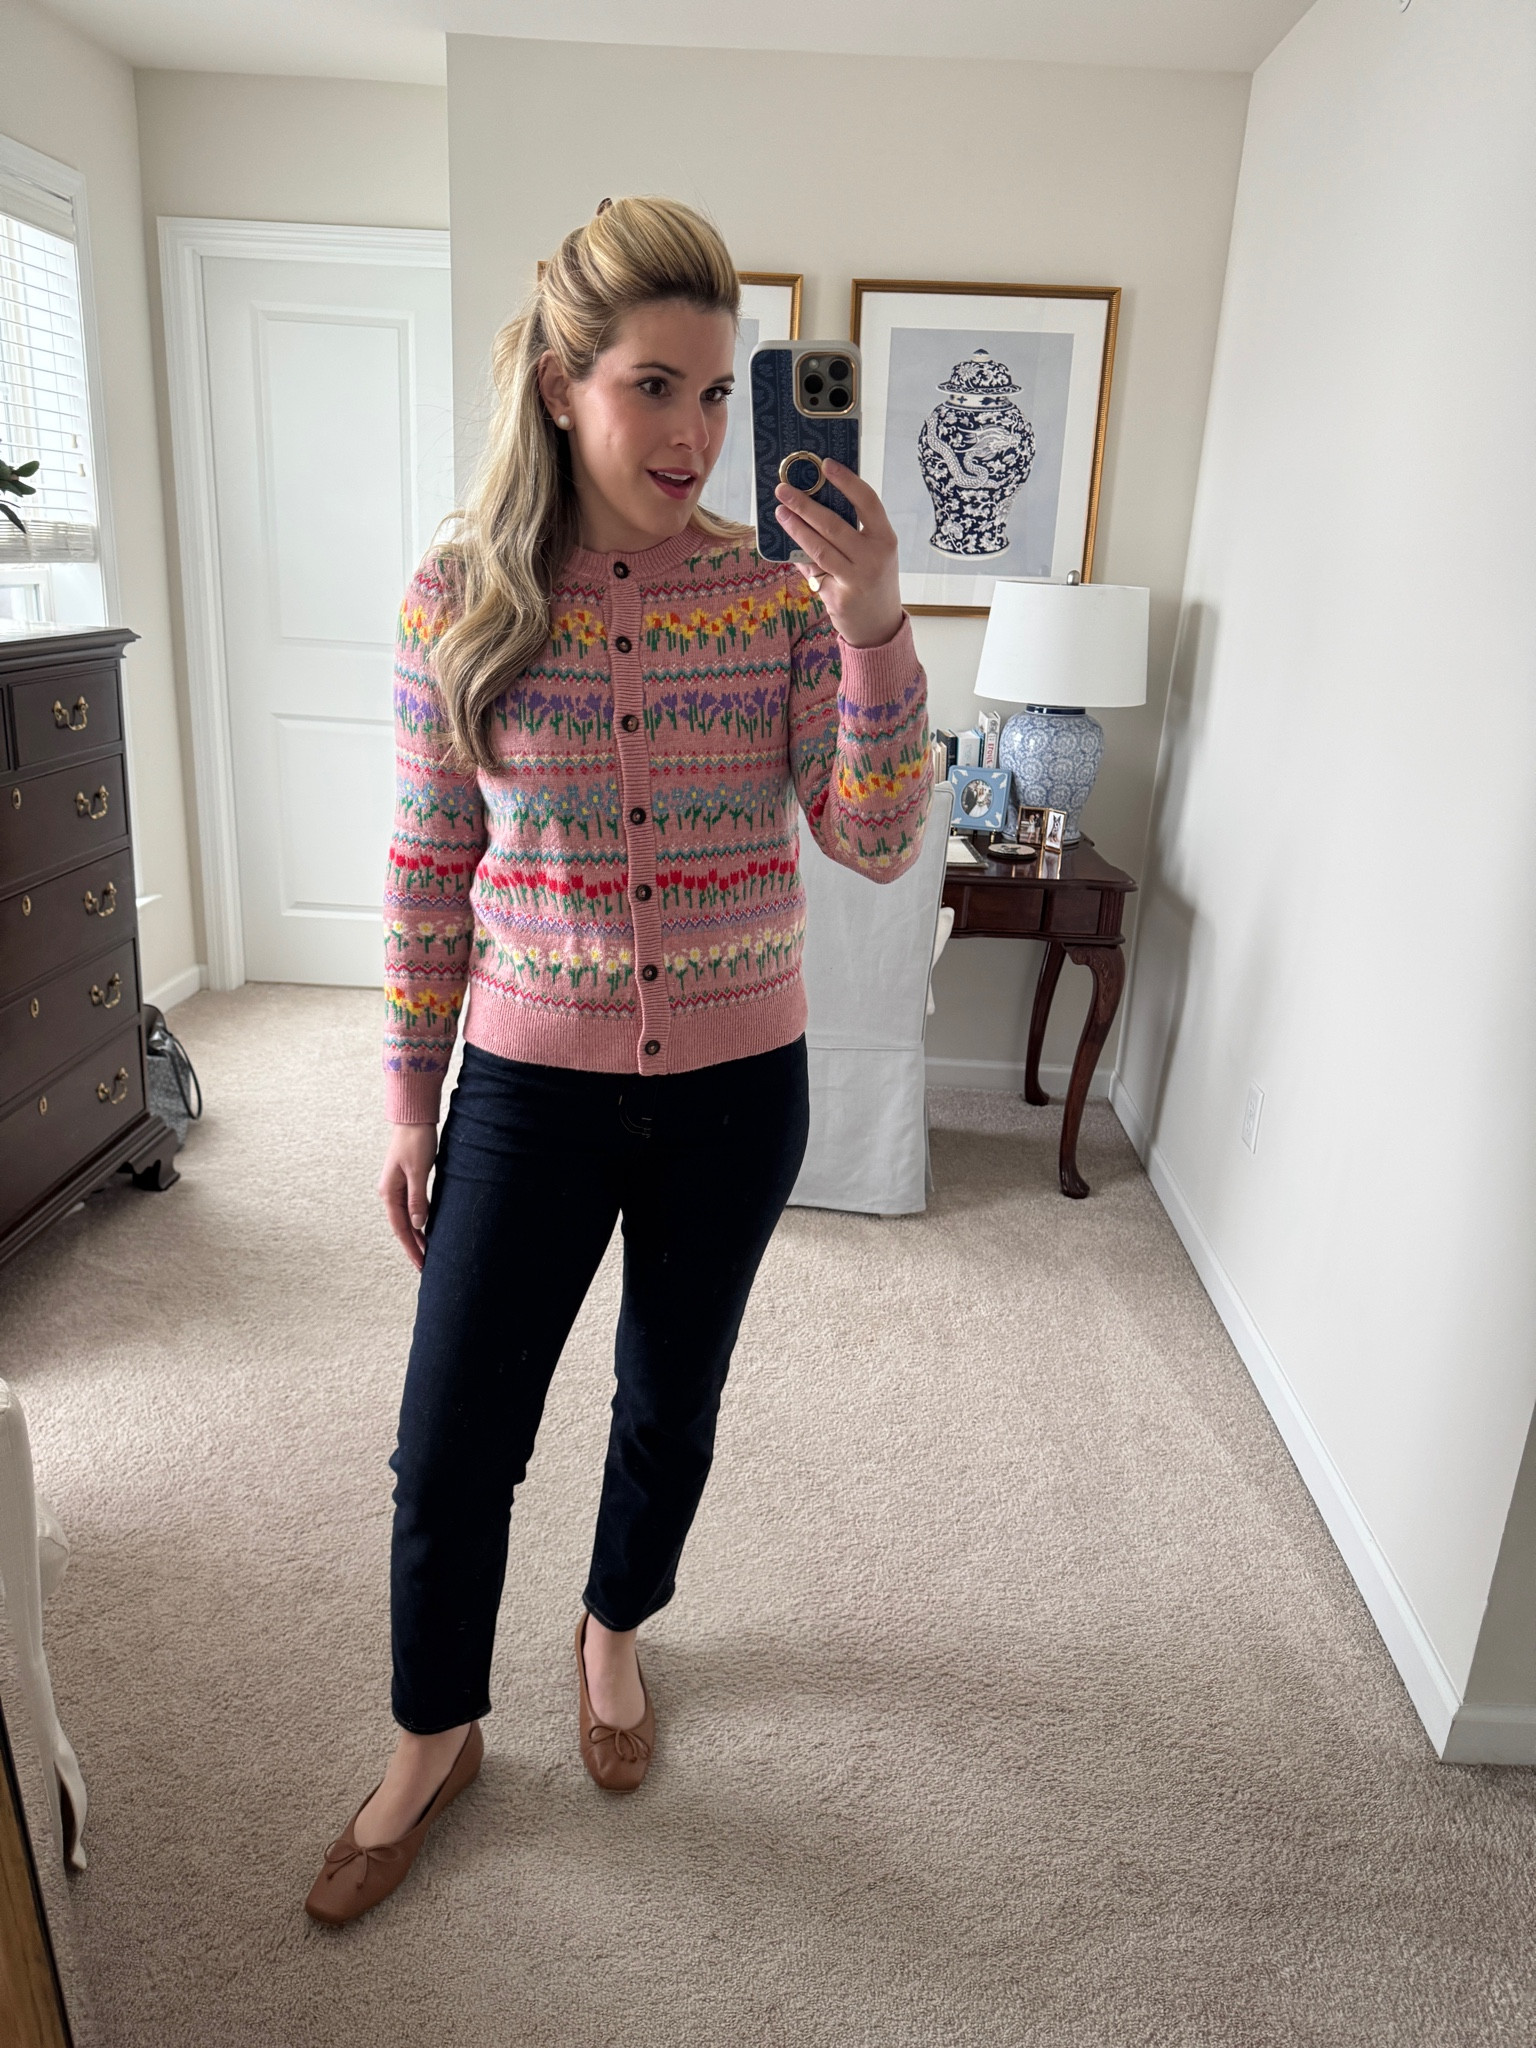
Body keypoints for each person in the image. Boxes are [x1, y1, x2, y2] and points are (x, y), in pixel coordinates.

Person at [304, 195, 931, 1925]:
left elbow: (876, 837)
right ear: (563, 384)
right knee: (451, 1440)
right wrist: (407, 1099)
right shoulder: (461, 594)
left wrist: (875, 617)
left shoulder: (776, 594)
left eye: (717, 394)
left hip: (738, 1089)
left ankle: (612, 1628)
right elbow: (429, 863)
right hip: (530, 1082)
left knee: (671, 1400)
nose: (694, 434)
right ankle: (435, 1733)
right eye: (655, 387)